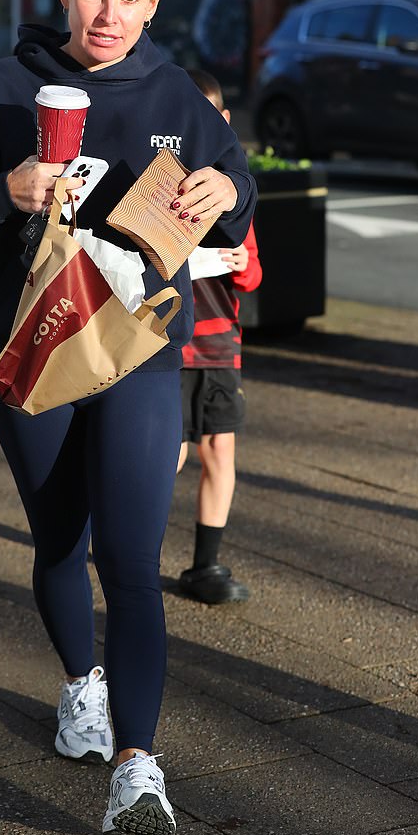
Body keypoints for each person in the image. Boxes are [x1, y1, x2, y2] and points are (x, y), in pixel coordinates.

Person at [0, 0, 257, 835]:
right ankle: (80, 689)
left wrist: (229, 194)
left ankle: (139, 767)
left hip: (137, 356)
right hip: (31, 354)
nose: (110, 14)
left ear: (153, 6)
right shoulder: (1, 88)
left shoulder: (177, 93)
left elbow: (231, 193)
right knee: (61, 539)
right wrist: (1, 192)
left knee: (131, 561)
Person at [177, 69, 262, 605]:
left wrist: (240, 260)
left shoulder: (233, 196)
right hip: (171, 346)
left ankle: (206, 565)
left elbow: (253, 276)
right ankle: (131, 549)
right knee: (168, 455)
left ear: (225, 125)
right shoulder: (164, 189)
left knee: (220, 452)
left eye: (213, 123)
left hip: (220, 348)